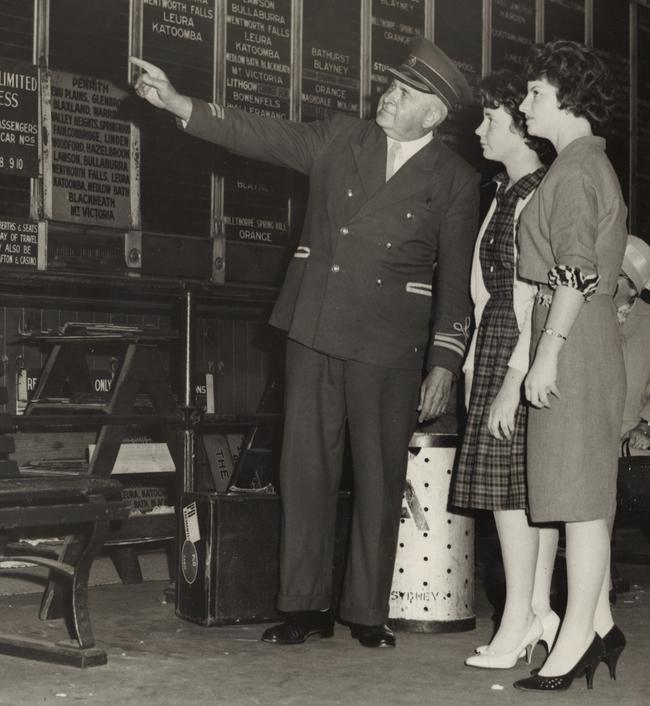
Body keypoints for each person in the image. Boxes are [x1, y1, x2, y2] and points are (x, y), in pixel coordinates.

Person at [131, 39, 480, 649]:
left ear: (434, 115)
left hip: (389, 343)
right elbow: (256, 133)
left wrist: (445, 362)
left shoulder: (456, 180)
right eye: (390, 86)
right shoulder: (341, 138)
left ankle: (367, 613)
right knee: (305, 470)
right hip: (314, 326)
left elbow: (455, 284)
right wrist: (179, 103)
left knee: (378, 476)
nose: (387, 97)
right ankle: (304, 607)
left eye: (404, 94)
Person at [512, 40, 627, 693]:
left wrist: (546, 352)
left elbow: (576, 272)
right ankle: (601, 622)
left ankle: (576, 638)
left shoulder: (577, 173)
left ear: (568, 100)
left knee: (581, 503)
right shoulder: (579, 166)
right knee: (578, 496)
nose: (526, 102)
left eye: (534, 93)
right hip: (580, 337)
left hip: (575, 339)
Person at [449, 71, 560, 670]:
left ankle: (518, 618)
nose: (480, 128)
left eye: (492, 119)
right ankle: (538, 609)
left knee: (509, 497)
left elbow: (533, 296)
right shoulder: (507, 192)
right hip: (497, 342)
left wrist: (511, 381)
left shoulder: (536, 193)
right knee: (524, 492)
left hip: (515, 346)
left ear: (522, 131)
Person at [615, 236, 650, 453]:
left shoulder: (647, 321)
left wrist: (645, 425)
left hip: (634, 442)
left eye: (614, 275)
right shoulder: (586, 313)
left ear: (632, 289)